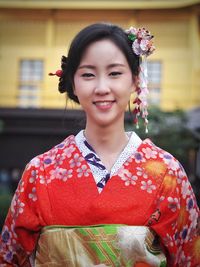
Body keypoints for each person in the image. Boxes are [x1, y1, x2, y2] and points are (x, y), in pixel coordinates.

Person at [0, 22, 199, 267]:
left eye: (115, 73)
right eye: (88, 74)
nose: (102, 88)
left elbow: (190, 260)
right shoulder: (40, 171)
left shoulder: (167, 172)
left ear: (136, 80)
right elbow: (8, 259)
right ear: (73, 83)